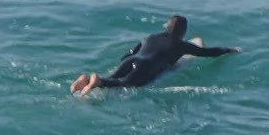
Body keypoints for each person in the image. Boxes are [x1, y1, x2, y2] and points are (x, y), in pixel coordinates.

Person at [70, 16, 239, 95]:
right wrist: (228, 50)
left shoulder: (150, 37)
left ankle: (88, 80)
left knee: (115, 77)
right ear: (183, 32)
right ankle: (97, 80)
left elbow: (130, 52)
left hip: (133, 60)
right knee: (125, 84)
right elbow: (207, 53)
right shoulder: (180, 45)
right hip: (146, 66)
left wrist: (125, 60)